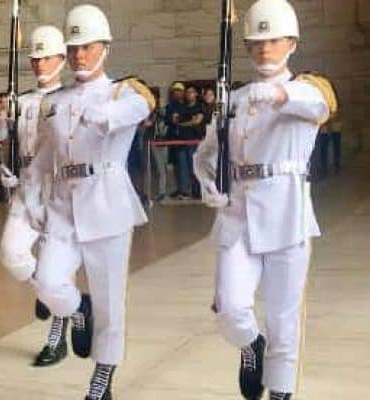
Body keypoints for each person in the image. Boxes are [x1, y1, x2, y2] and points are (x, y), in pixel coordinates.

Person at [193, 1, 337, 399]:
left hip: (286, 216)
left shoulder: (306, 89)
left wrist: (277, 95)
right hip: (237, 216)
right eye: (256, 42)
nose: (264, 49)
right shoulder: (233, 101)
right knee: (230, 308)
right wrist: (207, 184)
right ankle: (250, 345)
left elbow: (321, 107)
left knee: (283, 318)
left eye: (272, 41)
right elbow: (204, 155)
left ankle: (280, 391)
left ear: (291, 43)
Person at [27, 5, 153, 399]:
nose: (79, 55)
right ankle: (77, 309)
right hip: (64, 206)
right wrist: (31, 197)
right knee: (47, 281)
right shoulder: (56, 102)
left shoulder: (124, 93)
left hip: (107, 205)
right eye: (73, 47)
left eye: (88, 46)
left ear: (105, 48)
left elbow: (137, 110)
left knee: (110, 302)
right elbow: (47, 159)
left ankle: (102, 378)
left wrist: (99, 113)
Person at [0, 25, 69, 367]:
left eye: (47, 57)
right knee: (11, 253)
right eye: (35, 58)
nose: (40, 64)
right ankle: (49, 291)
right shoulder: (21, 101)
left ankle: (57, 337)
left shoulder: (71, 99)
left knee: (60, 271)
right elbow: (10, 146)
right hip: (26, 189)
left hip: (59, 193)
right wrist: (5, 166)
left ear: (62, 59)